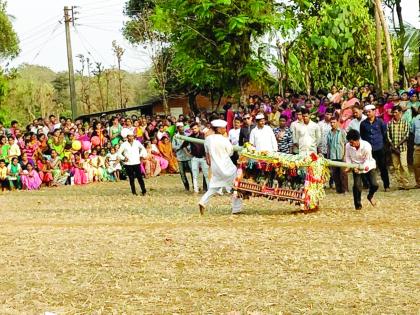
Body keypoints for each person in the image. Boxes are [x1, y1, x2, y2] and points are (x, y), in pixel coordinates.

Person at [198, 120, 239, 215]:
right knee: (237, 186)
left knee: (214, 187)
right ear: (218, 129)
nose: (225, 129)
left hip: (215, 167)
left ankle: (202, 201)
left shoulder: (208, 139)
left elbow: (207, 152)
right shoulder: (224, 139)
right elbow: (230, 152)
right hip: (227, 166)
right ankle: (236, 208)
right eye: (223, 128)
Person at [345, 129, 378, 210]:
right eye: (349, 142)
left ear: (357, 140)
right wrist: (349, 166)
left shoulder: (367, 146)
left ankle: (370, 196)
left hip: (368, 166)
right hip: (355, 165)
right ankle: (358, 205)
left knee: (374, 185)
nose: (351, 144)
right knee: (357, 186)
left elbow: (367, 160)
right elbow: (348, 157)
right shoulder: (348, 146)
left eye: (352, 142)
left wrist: (360, 169)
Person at [360, 104, 390, 191]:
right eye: (366, 112)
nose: (368, 114)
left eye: (369, 112)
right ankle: (371, 185)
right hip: (369, 150)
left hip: (380, 148)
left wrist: (384, 147)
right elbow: (363, 136)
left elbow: (384, 134)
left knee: (383, 167)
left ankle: (386, 185)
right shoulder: (363, 124)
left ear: (374, 111)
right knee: (369, 168)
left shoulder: (380, 122)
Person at [117, 130, 147, 196]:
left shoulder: (137, 142)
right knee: (131, 178)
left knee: (140, 178)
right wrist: (123, 158)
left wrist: (141, 155)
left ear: (133, 137)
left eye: (132, 136)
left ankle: (144, 191)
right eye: (129, 136)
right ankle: (133, 192)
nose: (131, 138)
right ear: (127, 137)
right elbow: (119, 153)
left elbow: (143, 149)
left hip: (136, 162)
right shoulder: (124, 144)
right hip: (128, 163)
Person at [387, 105, 410, 189]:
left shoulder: (405, 122)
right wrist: (393, 146)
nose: (394, 114)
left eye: (396, 112)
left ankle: (406, 183)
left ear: (400, 113)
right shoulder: (389, 123)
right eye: (393, 112)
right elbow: (388, 136)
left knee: (404, 165)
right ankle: (400, 184)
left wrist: (397, 145)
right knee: (396, 167)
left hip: (402, 148)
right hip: (393, 149)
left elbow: (406, 136)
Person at [183, 122, 209, 193]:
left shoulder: (204, 136)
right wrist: (188, 154)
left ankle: (209, 190)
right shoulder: (190, 137)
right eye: (192, 129)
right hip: (195, 158)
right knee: (195, 175)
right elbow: (183, 146)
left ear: (198, 128)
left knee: (206, 175)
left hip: (204, 158)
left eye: (195, 128)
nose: (194, 130)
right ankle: (196, 190)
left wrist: (207, 156)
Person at [327, 116, 348, 193]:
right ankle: (338, 190)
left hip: (341, 155)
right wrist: (328, 158)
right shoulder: (329, 133)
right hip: (333, 157)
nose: (332, 124)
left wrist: (345, 155)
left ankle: (345, 189)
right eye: (331, 122)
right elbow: (328, 146)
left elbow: (346, 144)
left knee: (343, 173)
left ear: (337, 122)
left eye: (334, 122)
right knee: (335, 174)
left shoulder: (342, 132)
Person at [172, 122, 192, 191]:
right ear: (177, 128)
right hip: (180, 157)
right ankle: (186, 187)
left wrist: (187, 147)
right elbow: (174, 147)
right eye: (180, 127)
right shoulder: (175, 136)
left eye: (182, 127)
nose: (182, 128)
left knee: (192, 172)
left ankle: (194, 185)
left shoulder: (188, 135)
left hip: (188, 156)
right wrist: (181, 146)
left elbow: (190, 145)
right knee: (182, 173)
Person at [412, 111, 420, 188]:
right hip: (418, 146)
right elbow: (413, 131)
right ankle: (418, 183)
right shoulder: (415, 119)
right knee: (416, 164)